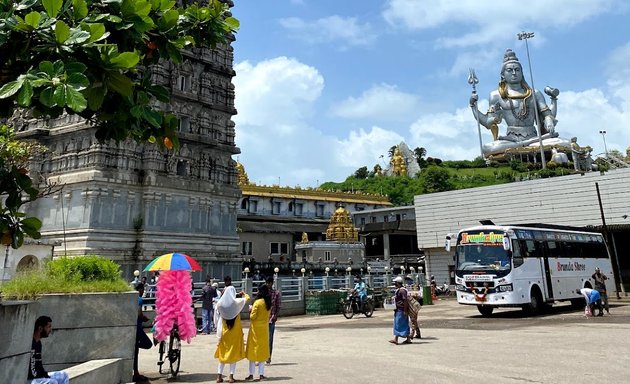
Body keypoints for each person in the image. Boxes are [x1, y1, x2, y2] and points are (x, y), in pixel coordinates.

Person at [470, 49, 569, 158]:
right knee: (488, 148)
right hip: (511, 139)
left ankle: (525, 146)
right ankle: (524, 145)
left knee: (564, 142)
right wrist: (473, 106)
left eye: (517, 70)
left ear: (522, 73)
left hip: (535, 137)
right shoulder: (496, 95)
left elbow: (547, 115)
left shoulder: (534, 93)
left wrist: (549, 120)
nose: (514, 73)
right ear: (503, 75)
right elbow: (488, 123)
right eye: (509, 70)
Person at [214, 277, 249, 383]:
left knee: (223, 355)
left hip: (225, 333)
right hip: (235, 333)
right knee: (233, 356)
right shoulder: (236, 304)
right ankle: (230, 376)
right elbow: (247, 298)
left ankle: (219, 376)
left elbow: (217, 317)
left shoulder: (220, 305)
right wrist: (243, 294)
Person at [28, 316, 69, 384]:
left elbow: (39, 365)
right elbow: (32, 369)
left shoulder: (38, 343)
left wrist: (45, 375)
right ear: (40, 328)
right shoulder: (31, 344)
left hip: (38, 377)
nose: (50, 330)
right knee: (52, 382)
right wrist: (43, 377)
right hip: (31, 379)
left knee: (64, 375)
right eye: (49, 327)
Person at [245, 284, 271, 381]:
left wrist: (250, 311)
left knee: (253, 351)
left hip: (255, 329)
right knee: (262, 352)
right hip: (264, 329)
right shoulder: (268, 303)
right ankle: (261, 374)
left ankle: (251, 374)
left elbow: (252, 317)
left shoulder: (257, 303)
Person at [134, 283, 152, 382]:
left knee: (135, 352)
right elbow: (139, 313)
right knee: (148, 344)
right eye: (143, 289)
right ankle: (136, 374)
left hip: (133, 328)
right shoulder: (139, 299)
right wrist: (145, 318)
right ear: (139, 289)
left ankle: (136, 372)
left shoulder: (132, 298)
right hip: (138, 328)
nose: (143, 291)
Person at [389, 276, 412, 345]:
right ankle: (408, 339)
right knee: (403, 324)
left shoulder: (402, 291)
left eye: (395, 283)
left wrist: (405, 310)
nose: (394, 285)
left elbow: (405, 300)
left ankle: (396, 339)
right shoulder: (400, 290)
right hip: (399, 309)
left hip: (401, 310)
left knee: (398, 324)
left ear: (398, 283)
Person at [266, 275, 281, 365]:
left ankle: (268, 357)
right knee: (262, 338)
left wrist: (276, 315)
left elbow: (278, 305)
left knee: (270, 338)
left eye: (269, 283)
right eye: (267, 283)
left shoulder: (276, 293)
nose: (268, 285)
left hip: (271, 318)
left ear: (272, 283)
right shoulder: (264, 293)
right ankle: (261, 356)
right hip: (263, 318)